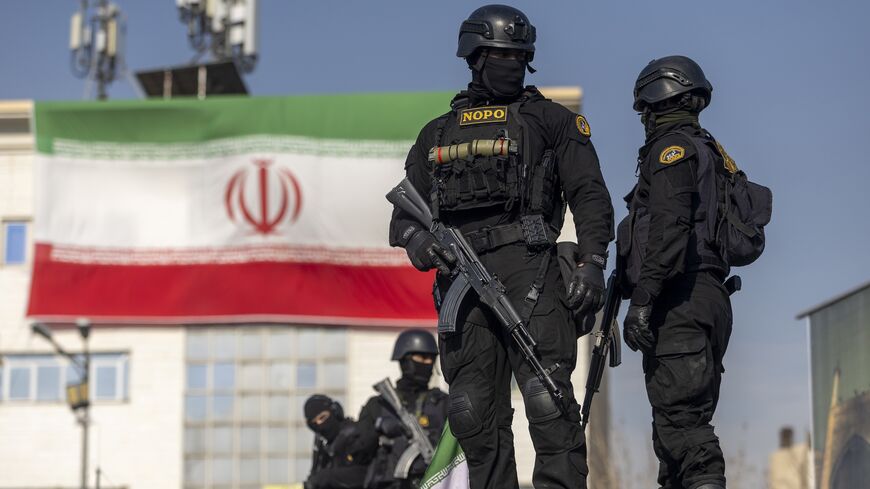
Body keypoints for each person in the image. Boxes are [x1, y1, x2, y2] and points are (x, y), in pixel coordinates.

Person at [387, 5, 614, 488]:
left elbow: (591, 197)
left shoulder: (552, 121)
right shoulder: (437, 134)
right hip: (461, 285)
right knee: (470, 412)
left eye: (519, 54)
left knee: (547, 400)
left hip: (531, 270)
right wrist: (424, 244)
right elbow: (403, 219)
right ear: (475, 56)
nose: (511, 62)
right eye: (500, 53)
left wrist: (593, 263)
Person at [620, 55, 736, 489]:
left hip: (680, 299)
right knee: (672, 439)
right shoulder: (711, 152)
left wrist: (643, 301)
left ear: (657, 101)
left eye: (645, 109)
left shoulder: (673, 150)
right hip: (709, 298)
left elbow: (670, 229)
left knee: (683, 427)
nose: (644, 119)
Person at [358, 329, 448, 489]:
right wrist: (380, 427)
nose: (427, 363)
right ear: (405, 360)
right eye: (421, 358)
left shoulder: (442, 403)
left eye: (430, 359)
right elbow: (361, 452)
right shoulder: (378, 405)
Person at [304, 395, 377, 489]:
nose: (320, 424)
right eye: (314, 423)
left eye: (322, 417)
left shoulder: (354, 435)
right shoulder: (324, 448)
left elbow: (366, 474)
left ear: (335, 412)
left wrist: (327, 477)